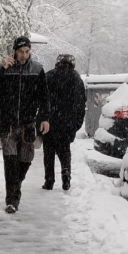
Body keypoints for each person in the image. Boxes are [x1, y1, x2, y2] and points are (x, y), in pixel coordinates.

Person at [0, 35, 50, 213]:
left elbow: (44, 97)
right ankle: (11, 200)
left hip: (28, 124)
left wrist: (44, 118)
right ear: (14, 51)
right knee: (10, 162)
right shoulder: (5, 69)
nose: (23, 55)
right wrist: (0, 70)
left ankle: (16, 185)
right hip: (8, 124)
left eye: (27, 52)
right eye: (20, 51)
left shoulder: (37, 70)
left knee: (25, 162)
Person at [42, 54, 86, 191]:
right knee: (64, 151)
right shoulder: (77, 79)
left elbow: (42, 98)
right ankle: (66, 175)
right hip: (67, 123)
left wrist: (42, 118)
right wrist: (77, 123)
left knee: (48, 152)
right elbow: (81, 103)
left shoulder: (49, 76)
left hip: (49, 121)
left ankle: (49, 181)